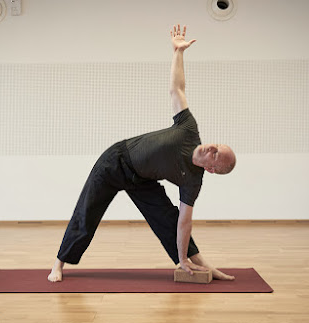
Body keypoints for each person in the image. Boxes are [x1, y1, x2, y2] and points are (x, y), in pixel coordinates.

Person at [48, 24, 236, 283]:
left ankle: (200, 262)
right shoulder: (189, 129)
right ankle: (58, 264)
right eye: (216, 145)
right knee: (87, 211)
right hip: (115, 162)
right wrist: (178, 53)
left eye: (216, 154)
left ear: (212, 169)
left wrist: (182, 258)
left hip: (141, 179)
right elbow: (177, 89)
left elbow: (183, 223)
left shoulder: (193, 180)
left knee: (167, 217)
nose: (211, 147)